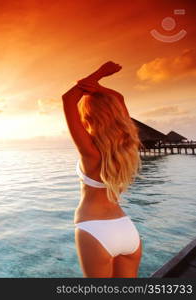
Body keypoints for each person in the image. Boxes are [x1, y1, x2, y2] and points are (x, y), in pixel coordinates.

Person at [61, 61, 142, 277]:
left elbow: (68, 99)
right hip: (126, 229)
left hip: (95, 230)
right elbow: (120, 100)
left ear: (89, 117)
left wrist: (99, 74)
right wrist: (100, 86)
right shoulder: (129, 146)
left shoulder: (90, 153)